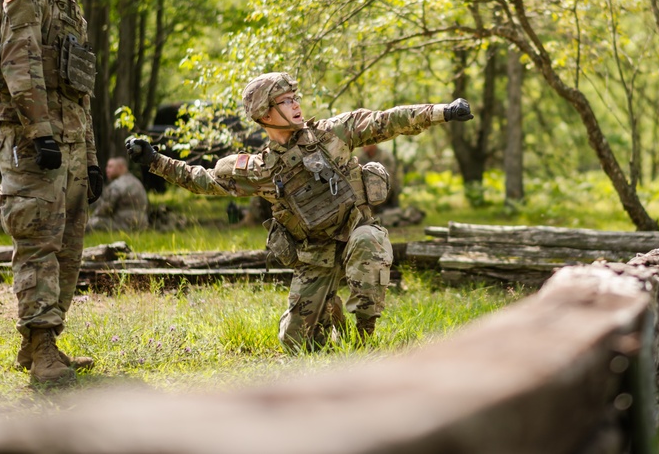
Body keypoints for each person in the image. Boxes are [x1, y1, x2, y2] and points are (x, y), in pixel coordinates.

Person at [126, 72, 473, 351]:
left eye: (295, 98)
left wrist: (442, 111)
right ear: (264, 114)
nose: (295, 106)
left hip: (356, 233)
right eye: (285, 101)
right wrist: (155, 161)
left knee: (369, 242)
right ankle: (329, 311)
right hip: (314, 257)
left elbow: (386, 121)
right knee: (295, 344)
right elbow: (201, 180)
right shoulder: (259, 169)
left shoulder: (332, 133)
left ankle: (364, 340)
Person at [0, 0, 111, 385]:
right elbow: (20, 64)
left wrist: (93, 159)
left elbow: (79, 87)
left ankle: (42, 341)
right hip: (33, 141)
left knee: (68, 248)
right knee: (38, 240)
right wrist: (39, 132)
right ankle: (40, 350)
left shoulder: (69, 5)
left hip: (71, 143)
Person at [87, 157, 148, 231]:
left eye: (110, 167)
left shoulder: (117, 184)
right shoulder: (136, 182)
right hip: (142, 225)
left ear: (120, 167)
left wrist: (92, 217)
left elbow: (105, 208)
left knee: (91, 222)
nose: (107, 169)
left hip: (123, 224)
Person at [355, 144, 400, 211]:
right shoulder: (361, 157)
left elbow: (389, 178)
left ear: (373, 144)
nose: (363, 146)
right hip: (369, 195)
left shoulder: (385, 156)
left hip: (388, 193)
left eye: (366, 144)